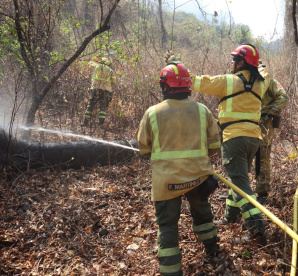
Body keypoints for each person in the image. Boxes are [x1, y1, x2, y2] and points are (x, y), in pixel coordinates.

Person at [135, 62, 221, 276]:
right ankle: (212, 248)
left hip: (166, 183)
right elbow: (214, 146)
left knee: (167, 225)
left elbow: (144, 148)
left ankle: (171, 271)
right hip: (198, 177)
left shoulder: (152, 113)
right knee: (202, 213)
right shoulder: (202, 111)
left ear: (165, 86)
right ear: (188, 86)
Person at [183, 44, 271, 245]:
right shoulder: (260, 84)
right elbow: (264, 72)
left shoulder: (227, 82)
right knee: (237, 178)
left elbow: (196, 82)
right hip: (253, 140)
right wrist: (261, 66)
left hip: (233, 138)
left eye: (234, 60)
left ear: (241, 62)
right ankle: (230, 216)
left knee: (240, 184)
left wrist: (176, 66)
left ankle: (257, 230)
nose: (232, 63)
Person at [255, 62, 289, 204]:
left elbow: (283, 98)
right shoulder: (242, 83)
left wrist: (269, 114)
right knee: (243, 158)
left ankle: (262, 193)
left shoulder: (270, 83)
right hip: (246, 124)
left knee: (262, 157)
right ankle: (239, 191)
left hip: (264, 126)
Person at [83, 56, 116, 126]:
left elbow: (90, 62)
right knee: (103, 107)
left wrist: (97, 57)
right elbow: (113, 82)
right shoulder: (110, 70)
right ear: (108, 63)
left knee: (90, 105)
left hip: (95, 88)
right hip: (105, 90)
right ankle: (100, 124)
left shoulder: (97, 67)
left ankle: (85, 122)